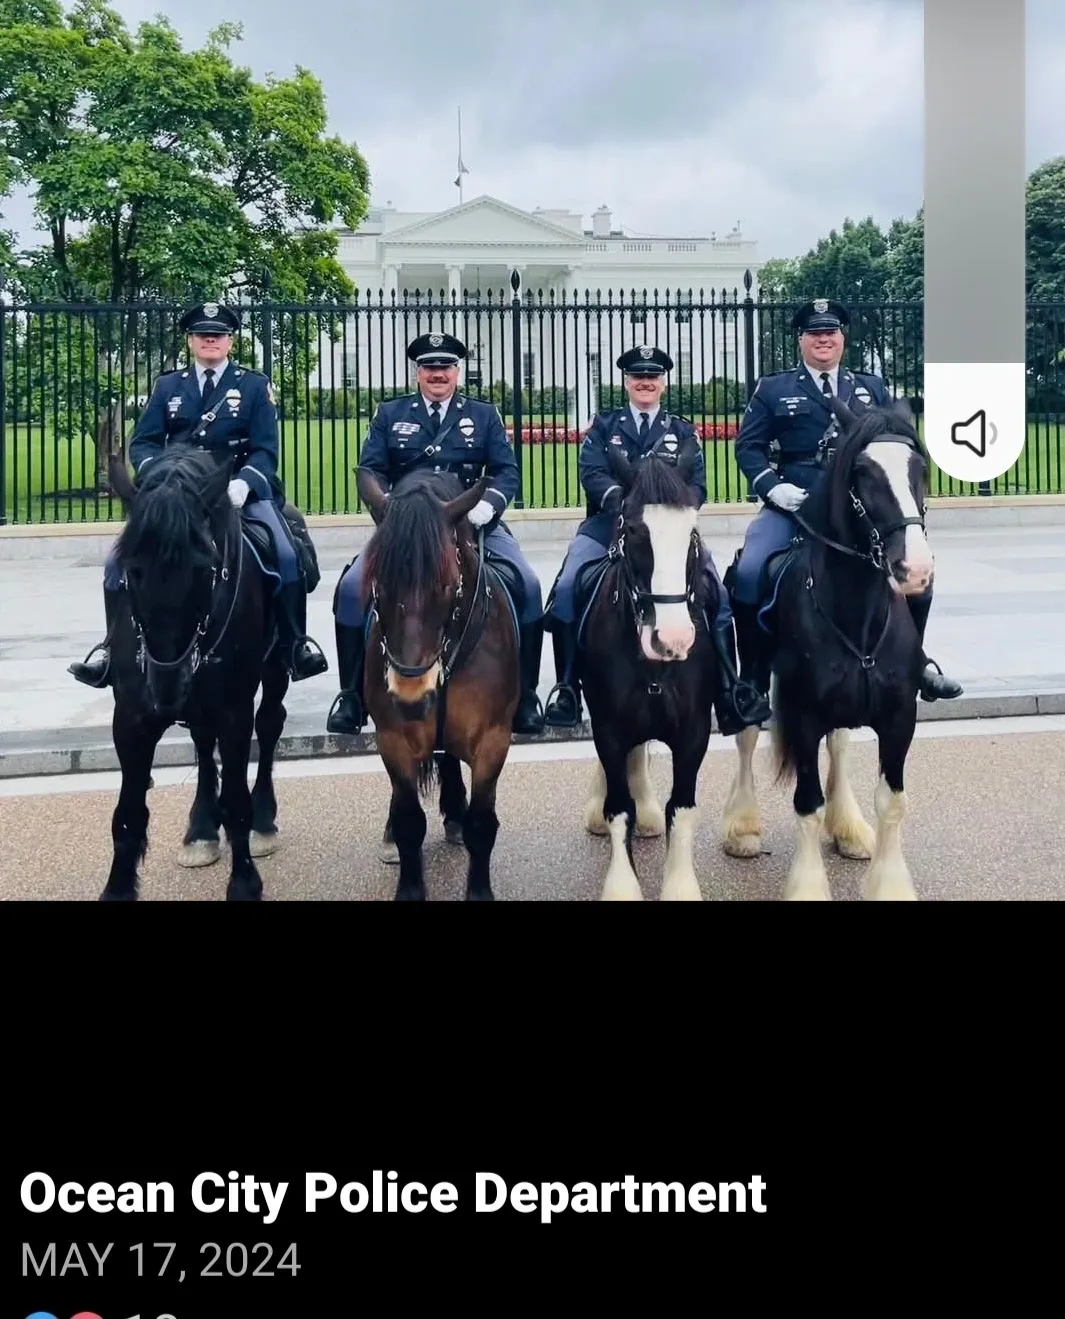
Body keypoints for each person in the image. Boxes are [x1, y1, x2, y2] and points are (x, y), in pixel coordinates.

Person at [67, 300, 329, 687]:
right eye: (203, 335)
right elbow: (144, 444)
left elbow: (266, 449)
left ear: (230, 342)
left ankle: (294, 644)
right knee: (117, 564)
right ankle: (110, 647)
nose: (211, 340)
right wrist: (164, 480)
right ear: (191, 341)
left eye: (218, 335)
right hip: (177, 496)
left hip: (239, 489)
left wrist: (245, 483)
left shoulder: (254, 386)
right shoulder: (168, 386)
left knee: (287, 555)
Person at [728, 296, 963, 703]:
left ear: (842, 339)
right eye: (815, 333)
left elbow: (893, 441)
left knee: (916, 574)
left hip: (859, 506)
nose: (824, 340)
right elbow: (748, 448)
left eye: (830, 333)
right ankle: (752, 676)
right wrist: (773, 487)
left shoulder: (870, 387)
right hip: (796, 504)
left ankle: (916, 662)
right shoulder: (774, 388)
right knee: (749, 571)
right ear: (801, 340)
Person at [541, 344, 773, 735]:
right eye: (637, 377)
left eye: (652, 377)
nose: (645, 383)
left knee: (716, 593)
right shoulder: (604, 427)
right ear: (626, 382)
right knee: (566, 589)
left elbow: (697, 484)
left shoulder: (682, 431)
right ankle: (567, 688)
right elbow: (592, 473)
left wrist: (677, 511)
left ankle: (731, 688)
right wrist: (627, 504)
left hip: (670, 533)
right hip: (609, 525)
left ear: (663, 383)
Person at [326, 330, 546, 737]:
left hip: (471, 522)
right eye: (430, 367)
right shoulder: (391, 414)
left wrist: (488, 506)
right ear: (417, 373)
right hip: (407, 530)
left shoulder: (483, 415)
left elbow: (506, 470)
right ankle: (351, 695)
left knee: (528, 586)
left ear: (457, 372)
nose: (437, 374)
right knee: (351, 589)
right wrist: (390, 514)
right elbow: (371, 469)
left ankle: (527, 693)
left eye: (445, 366)